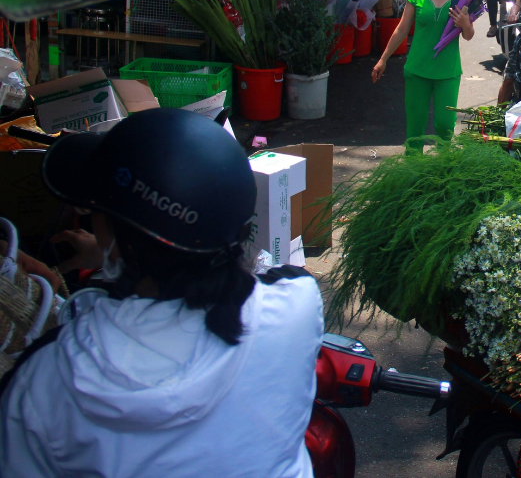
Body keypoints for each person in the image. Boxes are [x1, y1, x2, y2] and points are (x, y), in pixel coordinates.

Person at [0, 109, 323, 477]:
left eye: (96, 213)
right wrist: (121, 249)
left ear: (114, 237)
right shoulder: (296, 306)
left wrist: (115, 254)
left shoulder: (49, 380)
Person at [372, 0, 475, 149]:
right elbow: (401, 29)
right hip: (417, 69)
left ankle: (442, 165)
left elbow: (468, 36)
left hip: (447, 72)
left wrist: (465, 23)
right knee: (415, 128)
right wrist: (383, 59)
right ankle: (414, 167)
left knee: (445, 125)